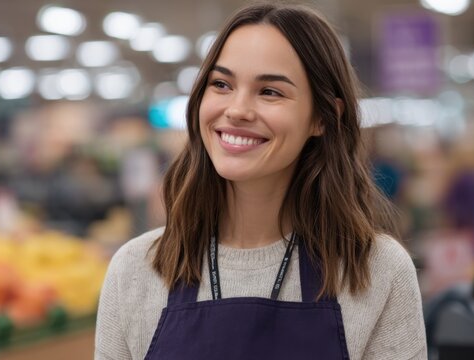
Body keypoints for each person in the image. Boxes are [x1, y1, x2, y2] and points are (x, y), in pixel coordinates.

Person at [95, 3, 426, 359]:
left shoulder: (376, 270)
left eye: (270, 91)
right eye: (221, 84)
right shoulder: (136, 270)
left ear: (323, 118)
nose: (237, 109)